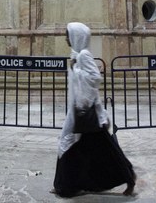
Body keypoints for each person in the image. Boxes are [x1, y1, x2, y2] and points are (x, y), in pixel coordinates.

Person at [54, 22, 136, 198]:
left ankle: (129, 177)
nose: (66, 38)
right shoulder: (76, 54)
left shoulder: (83, 55)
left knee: (101, 147)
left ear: (77, 36)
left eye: (68, 35)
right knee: (71, 145)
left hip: (87, 110)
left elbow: (95, 78)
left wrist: (75, 70)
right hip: (78, 109)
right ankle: (64, 185)